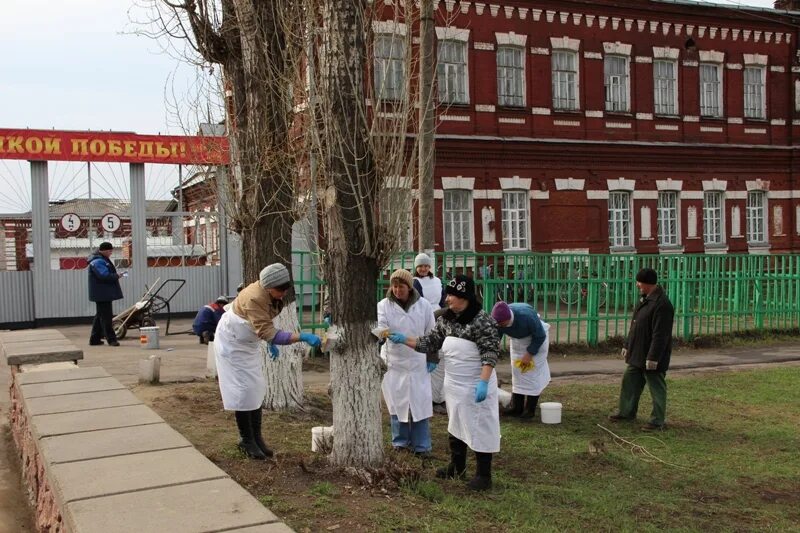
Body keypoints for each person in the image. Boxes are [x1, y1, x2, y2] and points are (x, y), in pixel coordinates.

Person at [388, 274, 501, 491]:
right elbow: (429, 342)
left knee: (480, 426)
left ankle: (483, 475)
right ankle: (457, 466)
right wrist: (405, 340)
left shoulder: (482, 321)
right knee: (456, 424)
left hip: (475, 382)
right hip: (454, 383)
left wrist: (483, 382)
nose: (447, 299)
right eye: (447, 294)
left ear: (465, 297)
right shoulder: (445, 319)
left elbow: (490, 352)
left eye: (452, 295)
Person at [214, 263, 322, 459]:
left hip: (248, 341)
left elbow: (265, 324)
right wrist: (301, 336)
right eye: (279, 290)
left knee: (255, 387)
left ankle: (257, 437)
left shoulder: (269, 293)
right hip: (232, 343)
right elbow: (266, 331)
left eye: (285, 289)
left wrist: (270, 339)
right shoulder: (254, 297)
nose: (283, 293)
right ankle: (246, 440)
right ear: (268, 286)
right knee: (242, 390)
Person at [378, 269, 436, 455]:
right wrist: (382, 334)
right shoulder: (384, 305)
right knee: (397, 404)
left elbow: (432, 333)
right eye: (394, 286)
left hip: (418, 360)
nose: (397, 290)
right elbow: (380, 327)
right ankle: (400, 443)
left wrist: (433, 356)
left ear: (409, 287)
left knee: (420, 404)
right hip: (394, 362)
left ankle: (422, 446)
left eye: (401, 286)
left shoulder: (424, 305)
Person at [609, 268, 674, 431]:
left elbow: (661, 334)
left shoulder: (662, 304)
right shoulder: (644, 300)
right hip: (637, 353)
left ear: (647, 283)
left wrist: (653, 358)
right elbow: (635, 325)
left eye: (639, 282)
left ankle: (657, 420)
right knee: (629, 381)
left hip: (652, 356)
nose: (637, 285)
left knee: (656, 387)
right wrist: (627, 345)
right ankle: (626, 412)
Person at [491, 301, 551, 420]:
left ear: (508, 318)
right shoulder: (498, 322)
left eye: (502, 323)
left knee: (532, 373)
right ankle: (516, 408)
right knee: (518, 372)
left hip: (536, 338)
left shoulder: (526, 316)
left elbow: (540, 336)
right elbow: (495, 338)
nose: (499, 326)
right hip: (518, 340)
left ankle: (530, 409)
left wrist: (529, 353)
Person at [412, 252, 448, 415]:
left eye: (426, 266)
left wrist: (443, 312)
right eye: (420, 266)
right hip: (426, 318)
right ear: (416, 267)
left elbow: (443, 299)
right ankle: (431, 398)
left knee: (441, 359)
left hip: (440, 316)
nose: (424, 269)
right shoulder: (415, 282)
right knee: (431, 355)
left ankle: (439, 397)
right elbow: (417, 302)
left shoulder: (438, 281)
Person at [87, 241, 124, 346]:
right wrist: (116, 276)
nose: (111, 253)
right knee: (106, 317)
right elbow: (104, 276)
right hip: (102, 294)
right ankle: (111, 339)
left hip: (102, 293)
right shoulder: (98, 261)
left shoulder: (99, 259)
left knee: (100, 316)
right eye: (110, 251)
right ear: (104, 250)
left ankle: (94, 339)